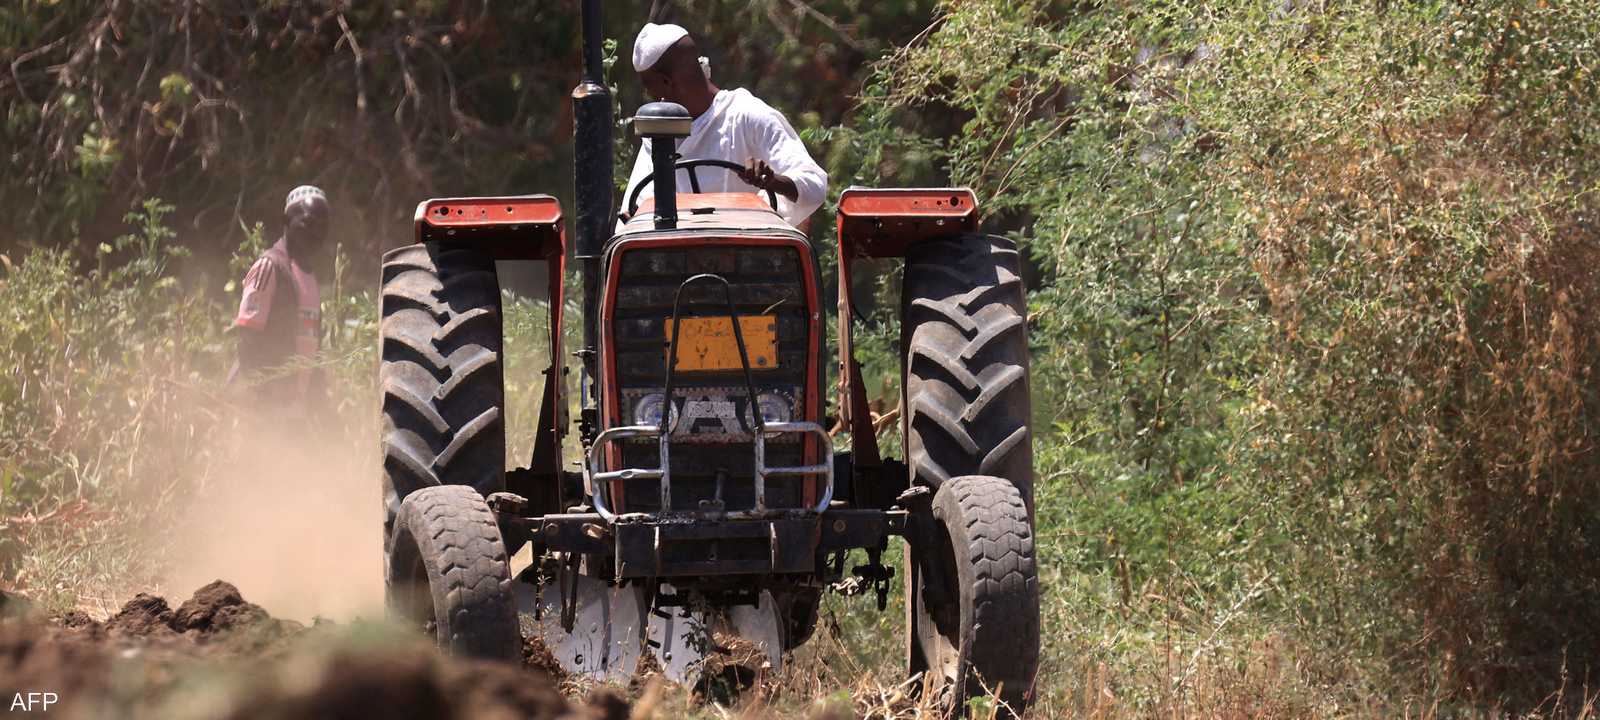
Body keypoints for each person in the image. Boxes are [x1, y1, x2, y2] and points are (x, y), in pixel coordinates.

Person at [625, 22, 828, 228]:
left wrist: (772, 181)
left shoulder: (745, 114)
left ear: (666, 82)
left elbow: (814, 183)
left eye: (649, 87)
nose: (650, 97)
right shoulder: (661, 128)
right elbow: (637, 206)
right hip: (679, 252)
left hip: (747, 248)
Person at [229, 185, 328, 409]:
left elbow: (313, 349)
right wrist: (260, 399)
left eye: (323, 226)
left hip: (294, 412)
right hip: (262, 408)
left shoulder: (310, 278)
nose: (316, 233)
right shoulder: (269, 267)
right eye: (308, 224)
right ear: (286, 222)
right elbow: (247, 339)